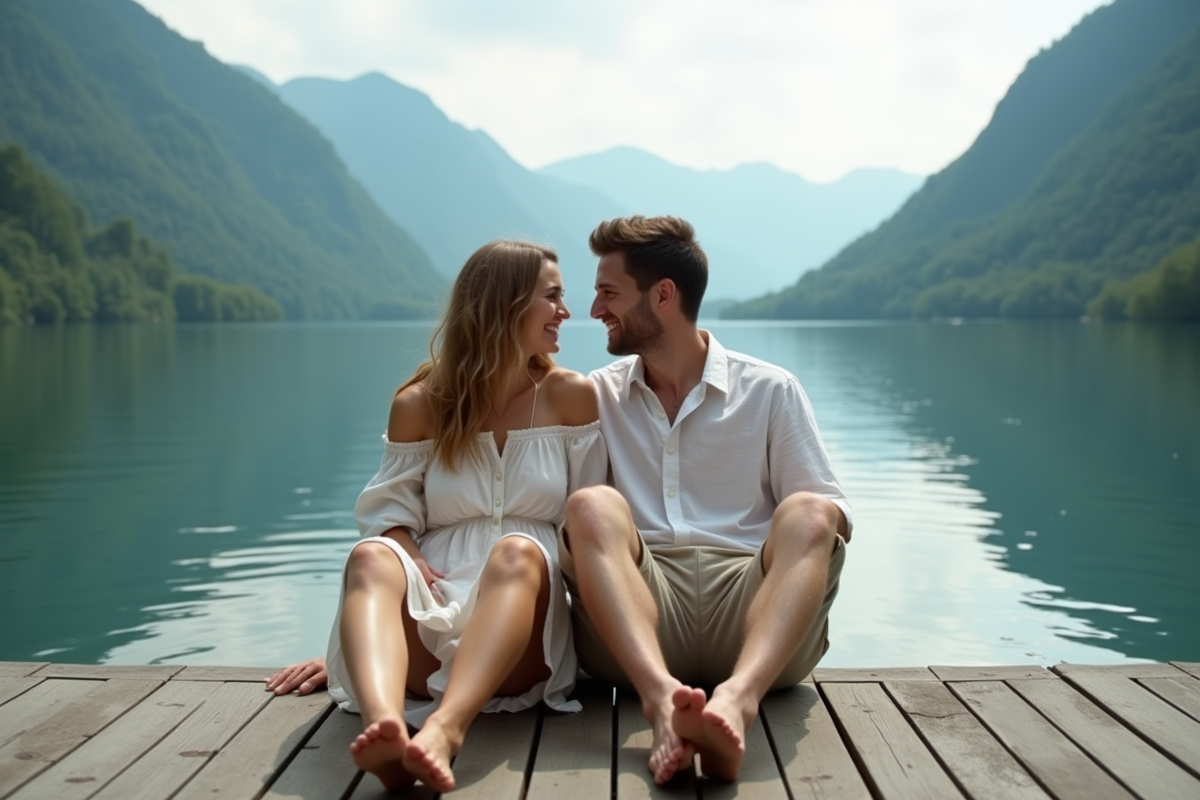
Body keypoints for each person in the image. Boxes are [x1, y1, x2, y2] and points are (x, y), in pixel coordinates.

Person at [269, 240, 607, 793]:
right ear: (505, 303)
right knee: (371, 555)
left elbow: (591, 531)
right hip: (431, 620)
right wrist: (390, 585)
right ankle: (384, 728)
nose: (565, 312)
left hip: (525, 646)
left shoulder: (571, 396)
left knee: (517, 551)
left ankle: (446, 731)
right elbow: (387, 515)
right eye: (552, 297)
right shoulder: (421, 403)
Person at [559, 215, 850, 784]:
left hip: (755, 618)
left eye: (608, 293)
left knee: (814, 507)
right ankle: (661, 701)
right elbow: (560, 525)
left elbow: (831, 524)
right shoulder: (594, 395)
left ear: (663, 295)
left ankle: (737, 702)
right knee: (589, 504)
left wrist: (808, 521)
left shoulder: (770, 390)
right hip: (634, 619)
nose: (594, 309)